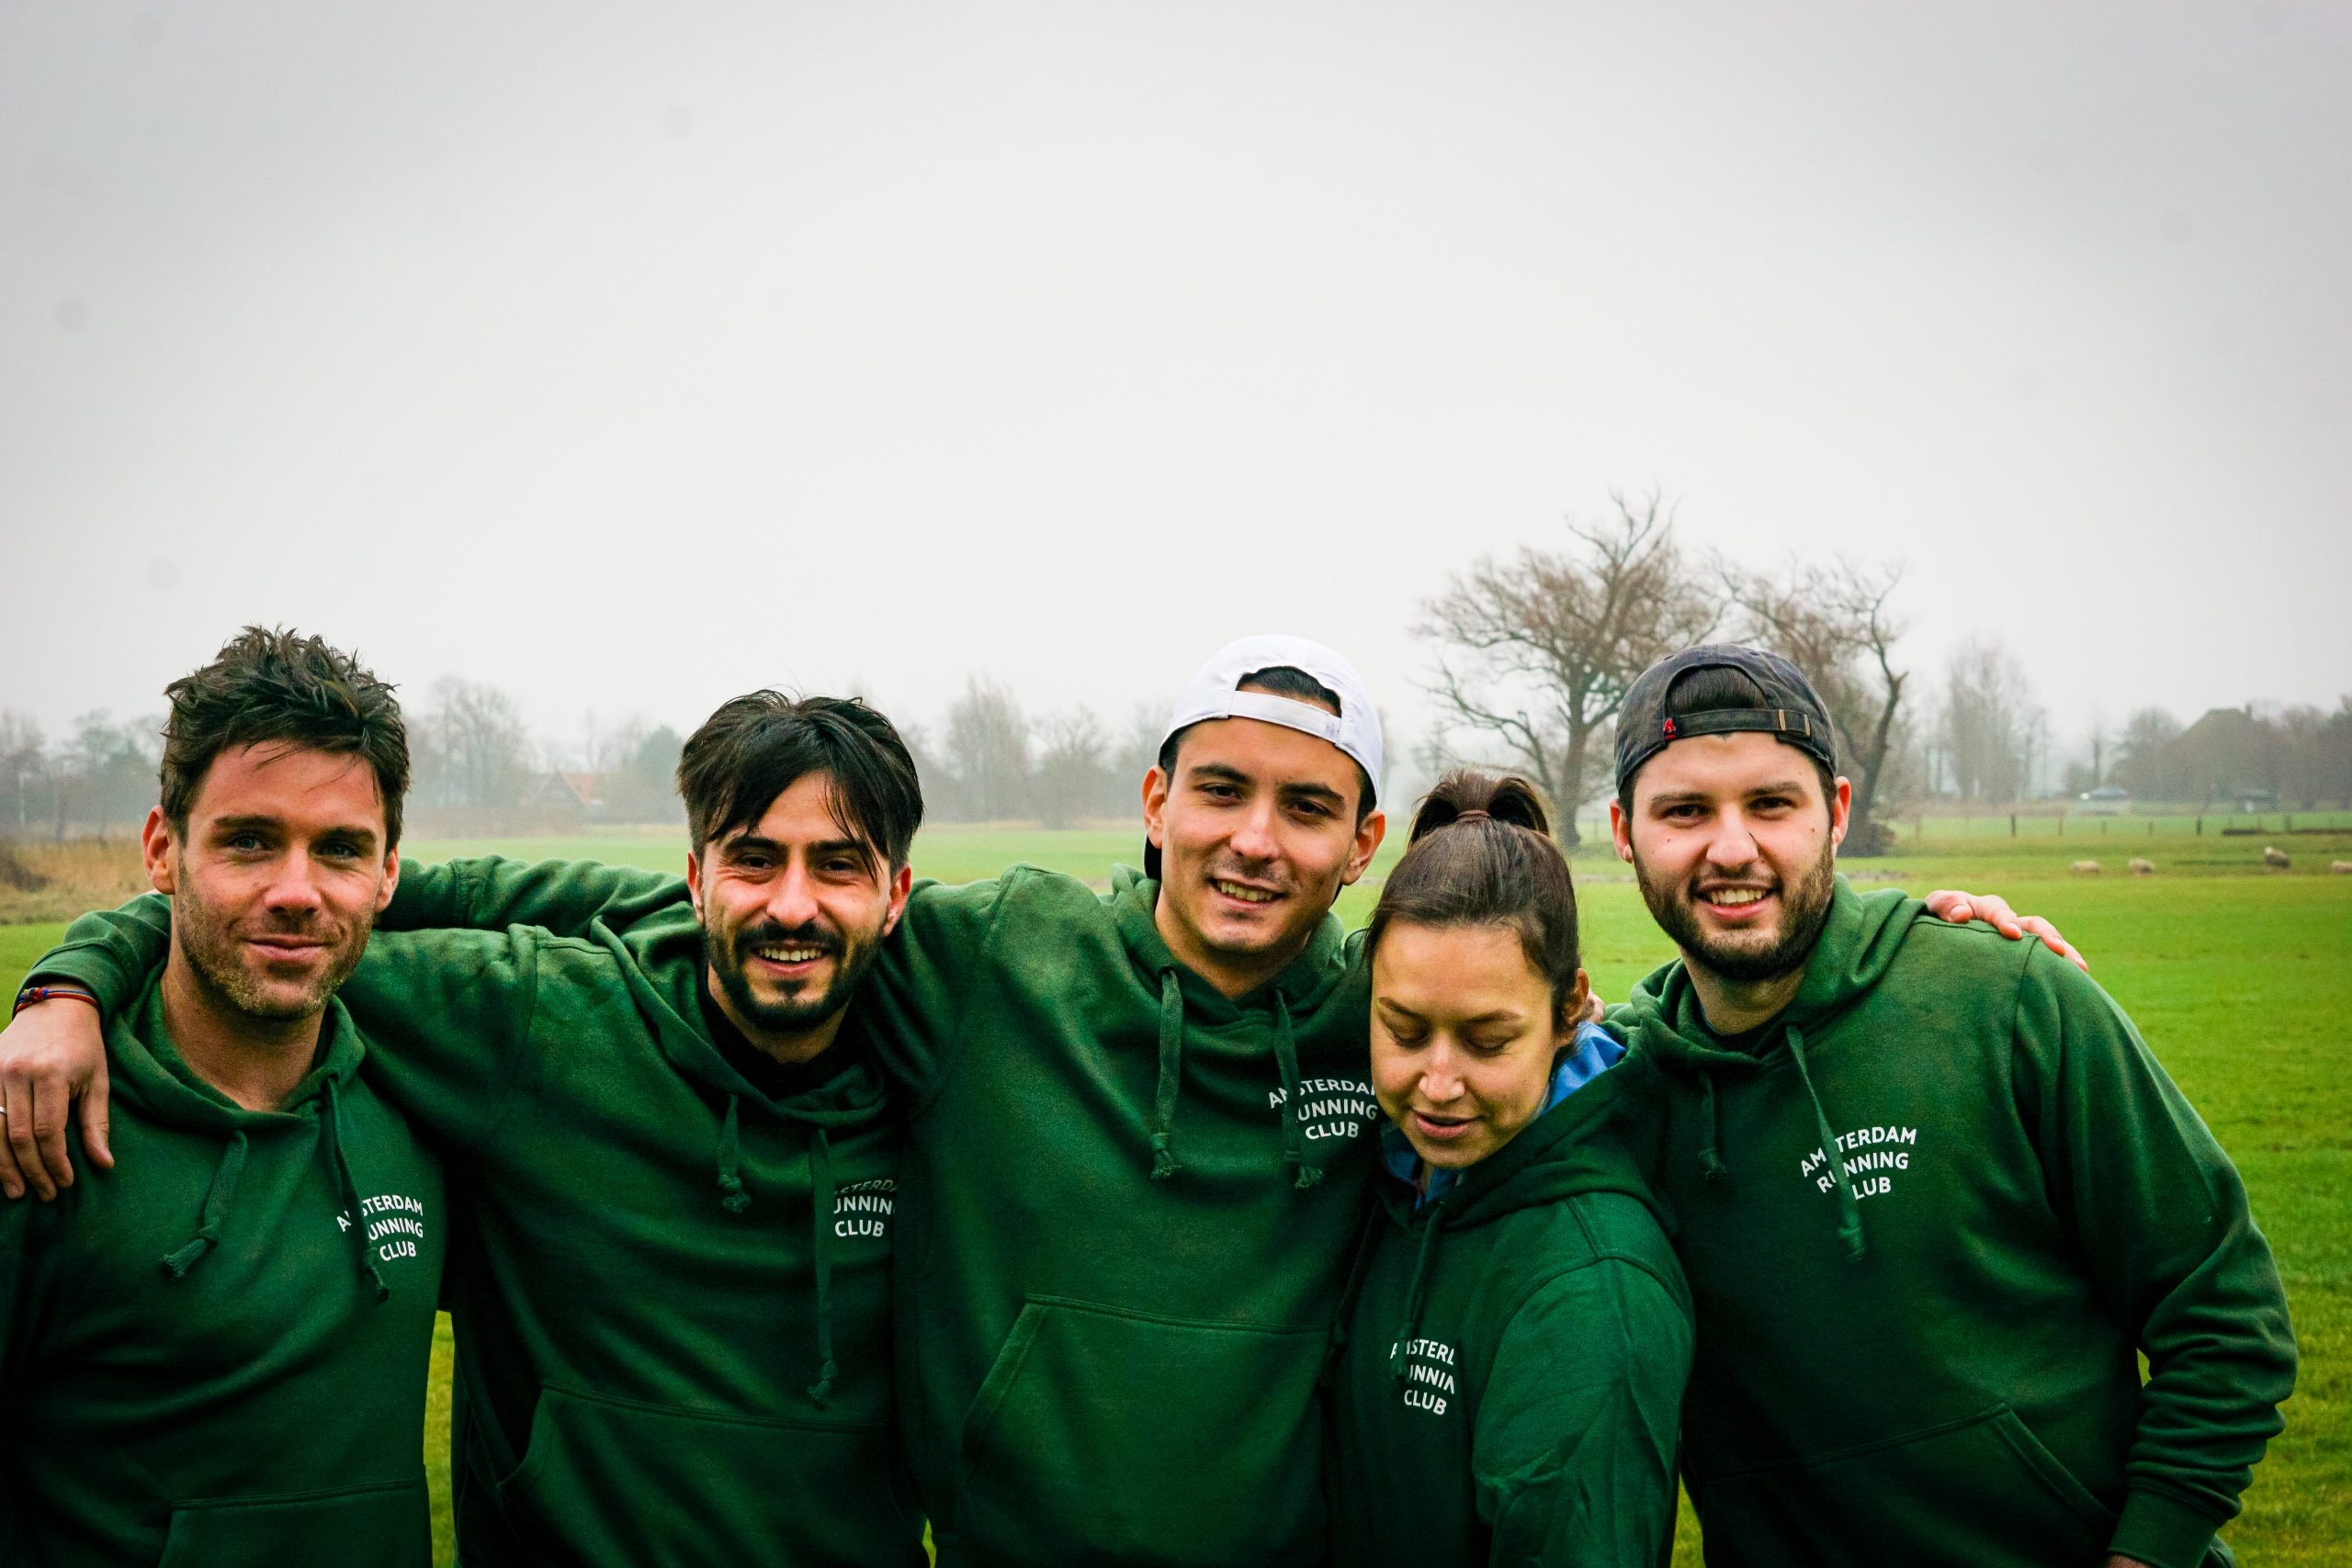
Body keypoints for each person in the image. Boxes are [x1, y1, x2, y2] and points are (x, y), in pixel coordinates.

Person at [2, 633, 2065, 1567]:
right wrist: (82, 959)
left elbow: (1578, 1056)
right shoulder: (990, 960)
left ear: (1357, 847)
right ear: (1153, 797)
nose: (1255, 841)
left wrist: (1928, 946)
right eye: (1222, 790)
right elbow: (418, 899)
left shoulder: (1389, 1024)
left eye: (1305, 811)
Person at [6, 690, 930, 1566]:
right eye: (754, 860)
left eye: (838, 865)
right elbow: (270, 932)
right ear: (695, 880)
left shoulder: (949, 1053)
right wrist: (74, 977)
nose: (793, 903)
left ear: (897, 896)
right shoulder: (539, 1024)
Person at [1605, 644, 2298, 1568]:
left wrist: (2150, 1550)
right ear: (1622, 831)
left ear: (1836, 813)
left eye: (1771, 804)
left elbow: (2222, 1312)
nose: (1732, 848)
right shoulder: (1617, 1087)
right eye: (1684, 811)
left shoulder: (2005, 997)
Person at [0, 627, 444, 1566]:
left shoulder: (429, 1098)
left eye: (340, 849)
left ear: (390, 873)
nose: (296, 891)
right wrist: (63, 989)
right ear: (162, 851)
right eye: (248, 841)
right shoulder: (35, 1125)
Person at [1325, 770, 1690, 1567]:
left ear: (1570, 1011)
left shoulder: (1590, 1288)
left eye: (1488, 1040)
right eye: (1405, 1030)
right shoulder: (1396, 1175)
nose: (1440, 1082)